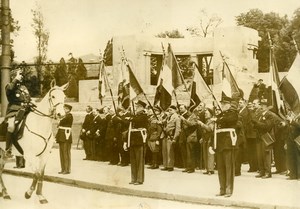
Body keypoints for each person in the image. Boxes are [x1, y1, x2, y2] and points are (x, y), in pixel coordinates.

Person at [210, 96, 238, 198]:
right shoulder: (221, 115)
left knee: (229, 167)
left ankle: (229, 190)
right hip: (220, 144)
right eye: (222, 104)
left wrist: (217, 119)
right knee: (220, 168)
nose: (222, 106)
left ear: (229, 105)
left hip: (228, 143)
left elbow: (230, 120)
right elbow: (215, 131)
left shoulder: (233, 113)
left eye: (225, 104)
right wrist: (212, 144)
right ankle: (222, 189)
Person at [5, 69, 32, 160]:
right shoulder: (9, 86)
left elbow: (29, 98)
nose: (21, 76)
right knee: (11, 126)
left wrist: (32, 103)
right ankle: (8, 149)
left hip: (26, 109)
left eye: (21, 75)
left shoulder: (23, 87)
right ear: (13, 76)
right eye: (19, 75)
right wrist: (15, 79)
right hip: (14, 110)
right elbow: (9, 90)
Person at [123, 100, 148, 185]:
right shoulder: (135, 116)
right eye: (136, 106)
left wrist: (130, 118)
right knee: (133, 161)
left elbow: (138, 121)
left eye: (138, 106)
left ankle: (139, 179)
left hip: (139, 140)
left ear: (142, 108)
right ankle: (133, 178)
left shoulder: (144, 116)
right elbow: (126, 123)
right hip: (132, 140)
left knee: (139, 161)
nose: (136, 108)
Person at [161, 105, 181, 172]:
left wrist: (175, 138)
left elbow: (178, 129)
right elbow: (162, 122)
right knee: (165, 151)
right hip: (165, 135)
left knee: (170, 152)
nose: (169, 111)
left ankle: (170, 166)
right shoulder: (168, 117)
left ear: (175, 110)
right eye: (169, 110)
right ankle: (165, 165)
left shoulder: (177, 118)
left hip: (171, 136)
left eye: (171, 110)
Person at [56, 104, 73, 174]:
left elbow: (61, 122)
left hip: (66, 136)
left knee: (66, 153)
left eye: (65, 109)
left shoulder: (69, 116)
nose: (64, 110)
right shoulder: (65, 116)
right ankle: (63, 168)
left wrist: (58, 118)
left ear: (68, 109)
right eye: (64, 108)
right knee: (62, 153)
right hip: (61, 136)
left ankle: (67, 169)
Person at [198, 108, 215, 175]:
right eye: (205, 113)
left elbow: (210, 129)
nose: (205, 115)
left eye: (207, 113)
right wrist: (202, 138)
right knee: (205, 154)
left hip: (210, 139)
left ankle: (211, 169)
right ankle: (207, 168)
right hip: (205, 138)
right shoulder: (207, 121)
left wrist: (202, 124)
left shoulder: (211, 121)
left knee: (210, 154)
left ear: (210, 114)